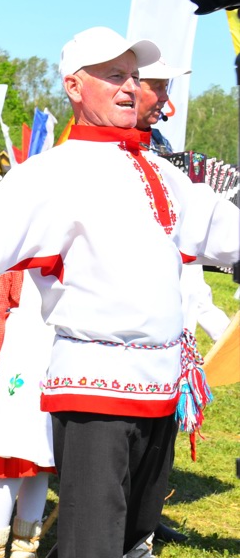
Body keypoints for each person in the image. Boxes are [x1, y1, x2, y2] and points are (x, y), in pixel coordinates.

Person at [0, 27, 240, 558]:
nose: (129, 87)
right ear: (75, 87)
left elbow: (219, 226)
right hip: (95, 387)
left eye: (132, 76)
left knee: (133, 535)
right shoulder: (53, 172)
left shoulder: (159, 170)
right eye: (113, 76)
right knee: (91, 541)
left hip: (161, 386)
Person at [135, 56, 230, 546]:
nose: (166, 103)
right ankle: (115, 522)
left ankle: (146, 516)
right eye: (157, 88)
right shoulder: (91, 151)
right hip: (120, 322)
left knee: (162, 428)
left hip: (172, 302)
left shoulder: (162, 147)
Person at [0, 271, 56, 558]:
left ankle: (25, 548)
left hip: (54, 359)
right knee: (9, 462)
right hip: (17, 357)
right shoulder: (11, 252)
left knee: (41, 462)